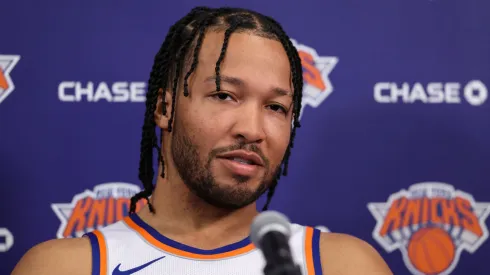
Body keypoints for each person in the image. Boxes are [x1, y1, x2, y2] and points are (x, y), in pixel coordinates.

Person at [12, 6, 392, 275]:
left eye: (276, 107)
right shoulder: (64, 267)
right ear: (164, 107)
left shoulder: (345, 265)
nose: (253, 128)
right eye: (225, 95)